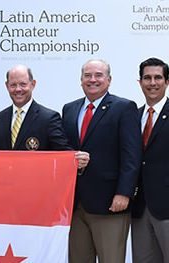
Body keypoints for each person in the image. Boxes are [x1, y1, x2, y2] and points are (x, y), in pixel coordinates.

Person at [62, 59, 141, 263]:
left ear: (109, 80)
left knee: (111, 259)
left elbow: (131, 155)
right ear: (81, 80)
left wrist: (124, 193)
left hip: (110, 204)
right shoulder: (69, 109)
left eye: (98, 75)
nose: (92, 80)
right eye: (87, 75)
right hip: (76, 204)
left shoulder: (124, 108)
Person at [0, 65, 89, 170]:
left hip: (36, 184)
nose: (18, 89)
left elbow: (64, 153)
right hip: (3, 185)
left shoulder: (49, 119)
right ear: (7, 86)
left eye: (23, 84)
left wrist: (77, 158)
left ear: (33, 84)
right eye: (13, 85)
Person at [132, 57, 169, 263]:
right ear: (140, 82)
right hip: (140, 207)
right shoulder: (134, 116)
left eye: (158, 78)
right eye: (147, 78)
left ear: (167, 82)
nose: (152, 83)